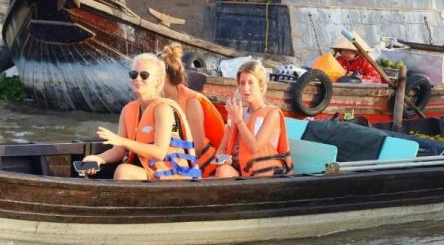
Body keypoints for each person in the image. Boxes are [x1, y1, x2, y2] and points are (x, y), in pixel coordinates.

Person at [81, 53, 201, 181]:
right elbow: (118, 151)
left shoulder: (163, 109)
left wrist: (122, 141)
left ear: (157, 81)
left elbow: (159, 152)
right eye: (134, 74)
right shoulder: (128, 110)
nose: (138, 79)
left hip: (174, 174)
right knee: (102, 169)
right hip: (147, 170)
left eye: (144, 75)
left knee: (123, 171)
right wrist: (99, 159)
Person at [214, 60, 292, 178]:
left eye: (251, 83)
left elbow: (255, 147)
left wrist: (239, 120)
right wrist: (223, 159)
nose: (246, 88)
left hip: (262, 174)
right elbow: (220, 151)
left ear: (260, 85)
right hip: (239, 171)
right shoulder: (240, 112)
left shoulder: (272, 114)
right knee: (222, 171)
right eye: (242, 83)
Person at [157, 43, 227, 176]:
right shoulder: (156, 101)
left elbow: (198, 146)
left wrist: (168, 157)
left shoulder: (191, 102)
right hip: (167, 160)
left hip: (199, 166)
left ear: (164, 76)